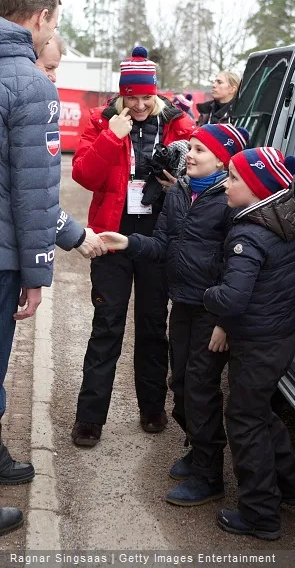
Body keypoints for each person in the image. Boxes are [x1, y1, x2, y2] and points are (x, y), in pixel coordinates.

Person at [0, 0, 107, 536]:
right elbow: (32, 192)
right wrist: (38, 271)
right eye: (56, 24)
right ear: (40, 18)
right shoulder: (28, 83)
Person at [99, 123, 249, 506]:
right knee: (179, 383)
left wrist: (224, 323)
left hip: (210, 312)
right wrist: (128, 242)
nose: (190, 155)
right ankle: (196, 448)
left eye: (199, 150)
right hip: (181, 303)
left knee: (200, 388)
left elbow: (239, 272)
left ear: (222, 159)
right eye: (191, 148)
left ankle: (208, 473)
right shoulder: (180, 192)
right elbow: (163, 244)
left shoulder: (230, 203)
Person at [71, 46, 195, 446]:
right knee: (107, 325)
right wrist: (112, 136)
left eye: (147, 96)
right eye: (132, 96)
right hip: (111, 233)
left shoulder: (177, 123)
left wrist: (178, 185)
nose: (140, 105)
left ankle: (152, 408)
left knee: (152, 324)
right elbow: (85, 176)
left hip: (158, 237)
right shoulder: (101, 121)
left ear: (155, 93)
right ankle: (90, 418)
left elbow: (201, 173)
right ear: (122, 93)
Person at [203, 147, 295, 540]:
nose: (225, 184)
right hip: (279, 335)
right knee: (258, 411)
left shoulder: (249, 232)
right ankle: (292, 484)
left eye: (232, 178)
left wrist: (205, 294)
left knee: (244, 421)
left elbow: (232, 297)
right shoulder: (285, 213)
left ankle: (259, 514)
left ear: (259, 186)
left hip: (257, 342)